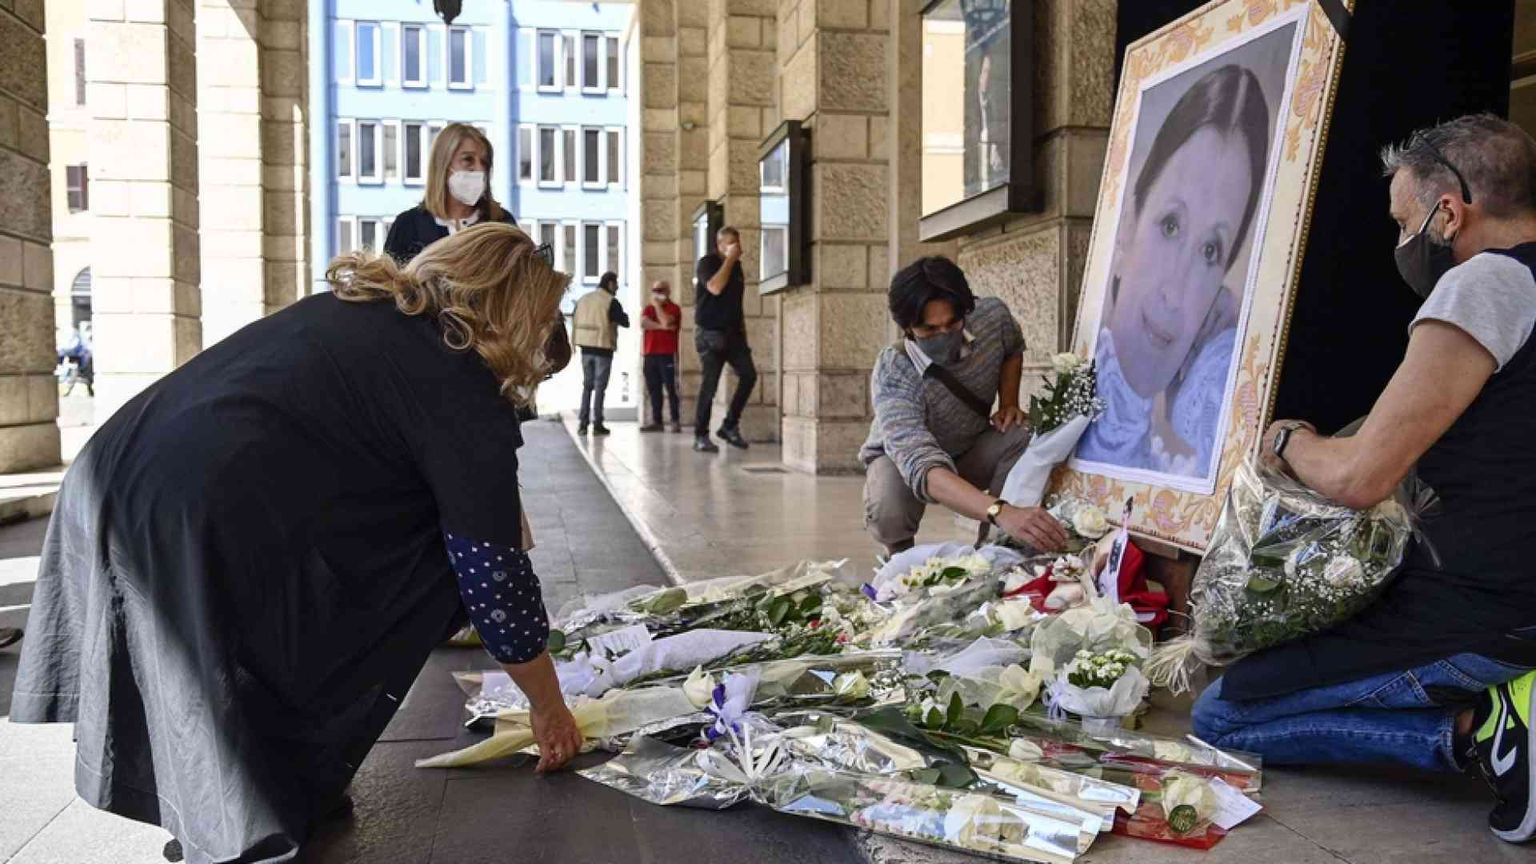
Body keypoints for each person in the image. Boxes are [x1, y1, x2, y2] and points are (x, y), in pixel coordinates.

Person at [10, 224, 585, 864]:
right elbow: (493, 575)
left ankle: (288, 777)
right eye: (542, 327)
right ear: (511, 314)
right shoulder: (456, 375)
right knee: (440, 563)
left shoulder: (369, 312)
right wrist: (549, 707)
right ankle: (241, 829)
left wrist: (491, 514)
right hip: (195, 509)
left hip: (113, 475)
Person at [1193, 115, 1536, 844]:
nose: (1402, 244)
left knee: (1222, 712)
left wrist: (1289, 439)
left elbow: (1359, 477)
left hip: (1489, 607)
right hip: (1514, 590)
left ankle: (1487, 732)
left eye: (1404, 221)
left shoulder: (1487, 284)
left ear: (1451, 211)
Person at [1076, 64, 1269, 479]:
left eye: (1210, 251)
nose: (1176, 292)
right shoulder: (1074, 396)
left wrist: (1211, 390)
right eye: (1170, 225)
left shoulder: (1180, 472)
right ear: (1128, 221)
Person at [860, 256, 1069, 558]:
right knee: (888, 509)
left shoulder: (991, 316)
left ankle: (996, 551)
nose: (944, 335)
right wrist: (1001, 510)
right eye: (929, 330)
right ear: (907, 327)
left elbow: (1013, 347)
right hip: (904, 459)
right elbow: (922, 464)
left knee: (1022, 433)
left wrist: (1008, 402)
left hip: (969, 447)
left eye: (952, 323)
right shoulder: (894, 369)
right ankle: (900, 560)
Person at [384, 123, 516, 262]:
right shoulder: (408, 226)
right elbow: (387, 281)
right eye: (468, 159)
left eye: (484, 162)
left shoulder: (501, 224)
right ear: (443, 165)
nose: (479, 169)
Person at [693, 226, 757, 453]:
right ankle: (700, 435)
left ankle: (729, 425)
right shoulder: (707, 263)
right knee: (709, 385)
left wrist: (743, 334)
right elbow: (715, 287)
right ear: (720, 245)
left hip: (734, 335)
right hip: (710, 335)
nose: (737, 248)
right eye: (731, 243)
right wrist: (729, 260)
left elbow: (735, 305)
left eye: (737, 243)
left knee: (749, 376)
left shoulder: (737, 267)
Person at [572, 271, 630, 436]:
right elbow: (625, 322)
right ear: (610, 284)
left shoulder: (584, 299)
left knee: (587, 387)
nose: (617, 287)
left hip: (585, 348)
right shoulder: (610, 301)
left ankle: (583, 424)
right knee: (599, 388)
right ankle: (598, 423)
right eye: (616, 283)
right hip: (603, 348)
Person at [639, 279, 683, 433]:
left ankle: (675, 420)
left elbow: (667, 319)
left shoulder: (674, 308)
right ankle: (657, 421)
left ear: (668, 291)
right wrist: (662, 327)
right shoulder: (648, 309)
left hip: (667, 353)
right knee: (653, 389)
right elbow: (644, 323)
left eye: (661, 290)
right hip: (650, 353)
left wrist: (658, 307)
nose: (657, 293)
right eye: (655, 290)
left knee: (671, 388)